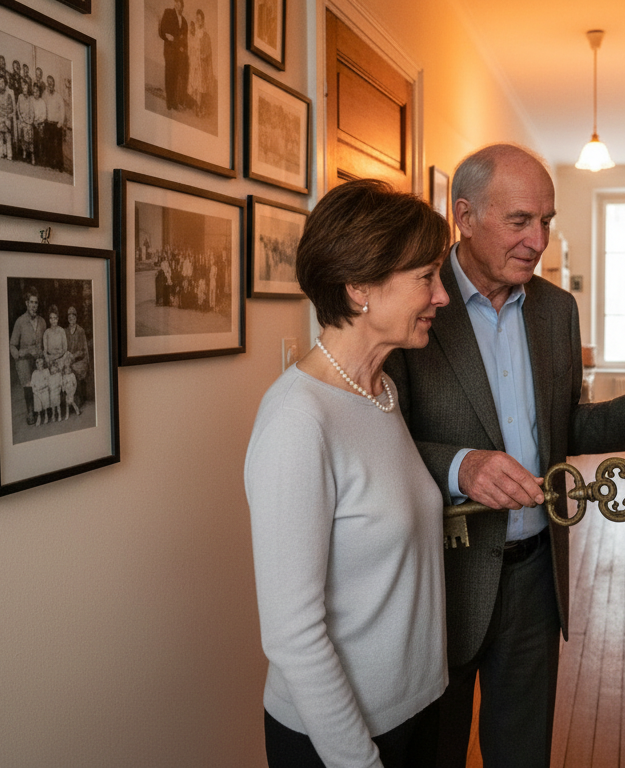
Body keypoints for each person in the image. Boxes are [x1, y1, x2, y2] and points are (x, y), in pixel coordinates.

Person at [382, 143, 625, 768]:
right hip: (441, 577)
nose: (539, 240)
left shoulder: (557, 310)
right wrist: (461, 467)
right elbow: (378, 440)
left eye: (547, 221)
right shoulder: (416, 303)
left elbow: (566, 430)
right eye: (520, 221)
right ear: (464, 215)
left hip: (535, 577)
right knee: (433, 751)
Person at [246, 179, 452, 767]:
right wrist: (356, 760)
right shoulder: (297, 420)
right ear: (359, 286)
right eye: (425, 278)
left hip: (417, 709)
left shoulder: (380, 392)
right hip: (340, 739)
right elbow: (292, 634)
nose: (441, 296)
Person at [9, 290, 47, 426]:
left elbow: (46, 341)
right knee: (27, 377)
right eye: (31, 302)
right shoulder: (20, 322)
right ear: (26, 303)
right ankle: (30, 410)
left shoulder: (42, 322)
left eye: (36, 303)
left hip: (39, 358)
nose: (34, 306)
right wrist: (21, 353)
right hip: (25, 359)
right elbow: (12, 345)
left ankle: (43, 406)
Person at [158, 0, 188, 110]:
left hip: (179, 53)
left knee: (175, 76)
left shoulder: (184, 21)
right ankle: (169, 102)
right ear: (175, 4)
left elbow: (185, 40)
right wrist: (167, 37)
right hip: (170, 50)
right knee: (169, 74)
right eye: (176, 3)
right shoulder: (168, 13)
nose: (177, 5)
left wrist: (183, 48)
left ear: (182, 6)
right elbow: (162, 29)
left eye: (179, 4)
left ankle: (174, 102)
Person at [65, 306, 89, 409]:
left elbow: (82, 350)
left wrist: (73, 357)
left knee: (75, 368)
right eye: (69, 316)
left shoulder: (80, 331)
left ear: (76, 317)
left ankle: (79, 397)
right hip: (69, 357)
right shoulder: (65, 331)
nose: (71, 318)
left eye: (73, 316)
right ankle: (67, 397)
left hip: (80, 359)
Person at [191, 9, 213, 116]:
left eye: (199, 19)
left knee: (200, 87)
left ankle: (200, 108)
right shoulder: (194, 33)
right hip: (195, 63)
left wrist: (202, 56)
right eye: (196, 19)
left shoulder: (206, 35)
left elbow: (208, 51)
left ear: (202, 21)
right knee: (195, 86)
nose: (197, 21)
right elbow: (192, 47)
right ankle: (196, 106)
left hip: (202, 65)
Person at [44, 75, 65, 173]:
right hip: (48, 124)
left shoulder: (58, 96)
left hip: (57, 124)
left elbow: (62, 111)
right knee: (50, 144)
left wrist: (60, 123)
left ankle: (60, 165)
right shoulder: (45, 95)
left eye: (51, 82)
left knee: (58, 146)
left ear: (54, 84)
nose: (50, 84)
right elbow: (42, 107)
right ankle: (51, 163)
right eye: (48, 82)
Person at [0, 71, 16, 160]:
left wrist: (6, 118)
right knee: (0, 136)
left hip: (6, 118)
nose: (1, 84)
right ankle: (1, 152)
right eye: (0, 82)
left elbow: (10, 108)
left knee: (7, 136)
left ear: (6, 84)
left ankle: (9, 154)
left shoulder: (8, 95)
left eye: (3, 82)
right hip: (0, 117)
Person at [42, 304, 68, 370]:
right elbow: (45, 350)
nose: (53, 320)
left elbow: (65, 349)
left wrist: (57, 357)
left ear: (58, 319)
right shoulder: (46, 332)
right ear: (49, 319)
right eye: (51, 318)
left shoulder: (61, 331)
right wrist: (47, 358)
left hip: (61, 358)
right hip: (50, 359)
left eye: (55, 318)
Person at [29, 356, 52, 426]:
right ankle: (39, 416)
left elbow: (49, 381)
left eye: (41, 364)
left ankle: (46, 414)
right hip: (37, 391)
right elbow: (32, 383)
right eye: (38, 364)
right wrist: (35, 389)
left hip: (44, 389)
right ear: (36, 365)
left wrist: (43, 387)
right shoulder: (34, 373)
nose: (40, 366)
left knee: (45, 396)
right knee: (36, 397)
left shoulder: (46, 371)